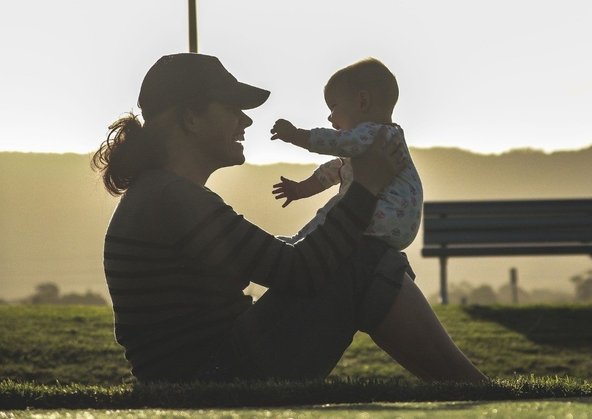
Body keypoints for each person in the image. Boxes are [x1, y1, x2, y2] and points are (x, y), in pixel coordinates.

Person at [91, 52, 487, 383]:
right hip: (214, 376)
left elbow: (275, 259)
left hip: (207, 370)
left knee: (363, 256)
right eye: (233, 109)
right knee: (363, 258)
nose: (245, 121)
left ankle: (469, 389)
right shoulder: (170, 198)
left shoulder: (161, 195)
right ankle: (477, 391)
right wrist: (366, 187)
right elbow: (298, 271)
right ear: (191, 118)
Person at [269, 58, 422, 252]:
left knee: (337, 210)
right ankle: (300, 241)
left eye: (333, 107)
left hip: (386, 214)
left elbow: (336, 142)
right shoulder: (381, 140)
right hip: (397, 224)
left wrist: (296, 135)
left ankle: (301, 243)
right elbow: (335, 170)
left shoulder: (375, 133)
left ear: (363, 102)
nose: (330, 117)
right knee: (340, 208)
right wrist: (300, 190)